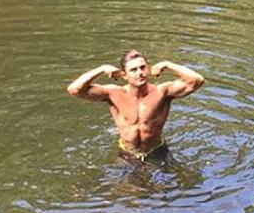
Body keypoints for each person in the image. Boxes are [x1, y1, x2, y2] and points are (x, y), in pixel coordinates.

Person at [67, 50, 205, 163]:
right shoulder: (113, 93)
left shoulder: (162, 92)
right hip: (126, 152)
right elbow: (75, 90)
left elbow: (196, 81)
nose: (140, 72)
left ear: (148, 69)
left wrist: (167, 64)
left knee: (164, 193)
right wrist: (101, 69)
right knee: (126, 193)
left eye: (143, 67)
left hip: (156, 151)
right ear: (124, 75)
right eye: (133, 70)